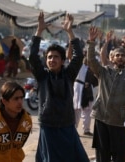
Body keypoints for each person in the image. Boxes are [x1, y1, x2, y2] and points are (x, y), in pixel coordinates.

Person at [29, 12, 89, 162]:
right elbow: (32, 56)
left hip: (67, 125)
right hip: (48, 126)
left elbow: (78, 57)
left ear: (62, 60)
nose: (52, 60)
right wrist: (39, 30)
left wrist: (70, 32)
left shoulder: (69, 75)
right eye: (49, 57)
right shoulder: (42, 76)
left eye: (56, 57)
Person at [87, 26, 125, 162]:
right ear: (112, 58)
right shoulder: (103, 72)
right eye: (117, 55)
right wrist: (91, 43)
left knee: (119, 157)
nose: (120, 57)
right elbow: (91, 61)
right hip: (101, 120)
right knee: (102, 157)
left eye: (123, 56)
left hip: (118, 122)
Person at [0, 81, 32, 162]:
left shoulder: (27, 121)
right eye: (16, 98)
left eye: (21, 98)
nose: (20, 102)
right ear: (4, 101)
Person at [73, 57, 98, 136]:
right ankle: (74, 129)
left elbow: (96, 81)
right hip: (79, 89)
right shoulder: (80, 66)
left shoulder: (93, 69)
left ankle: (86, 129)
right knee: (77, 109)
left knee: (88, 110)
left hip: (89, 90)